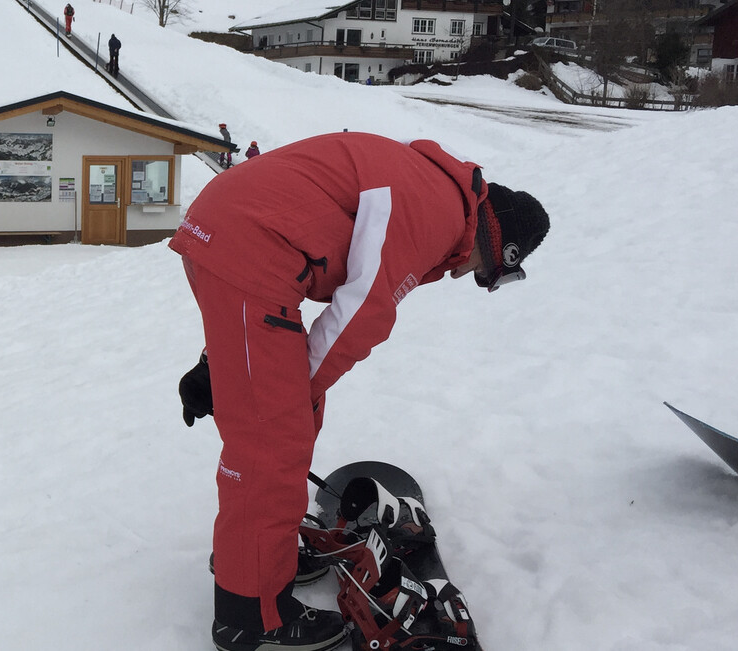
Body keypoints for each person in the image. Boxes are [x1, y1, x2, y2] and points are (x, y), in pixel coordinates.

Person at [169, 132, 550, 651]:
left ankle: (253, 552)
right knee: (274, 441)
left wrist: (222, 372)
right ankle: (250, 614)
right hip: (250, 247)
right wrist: (286, 399)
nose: (474, 278)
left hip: (231, 236)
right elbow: (361, 313)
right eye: (491, 274)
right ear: (498, 241)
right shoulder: (435, 211)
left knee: (290, 418)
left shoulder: (432, 188)